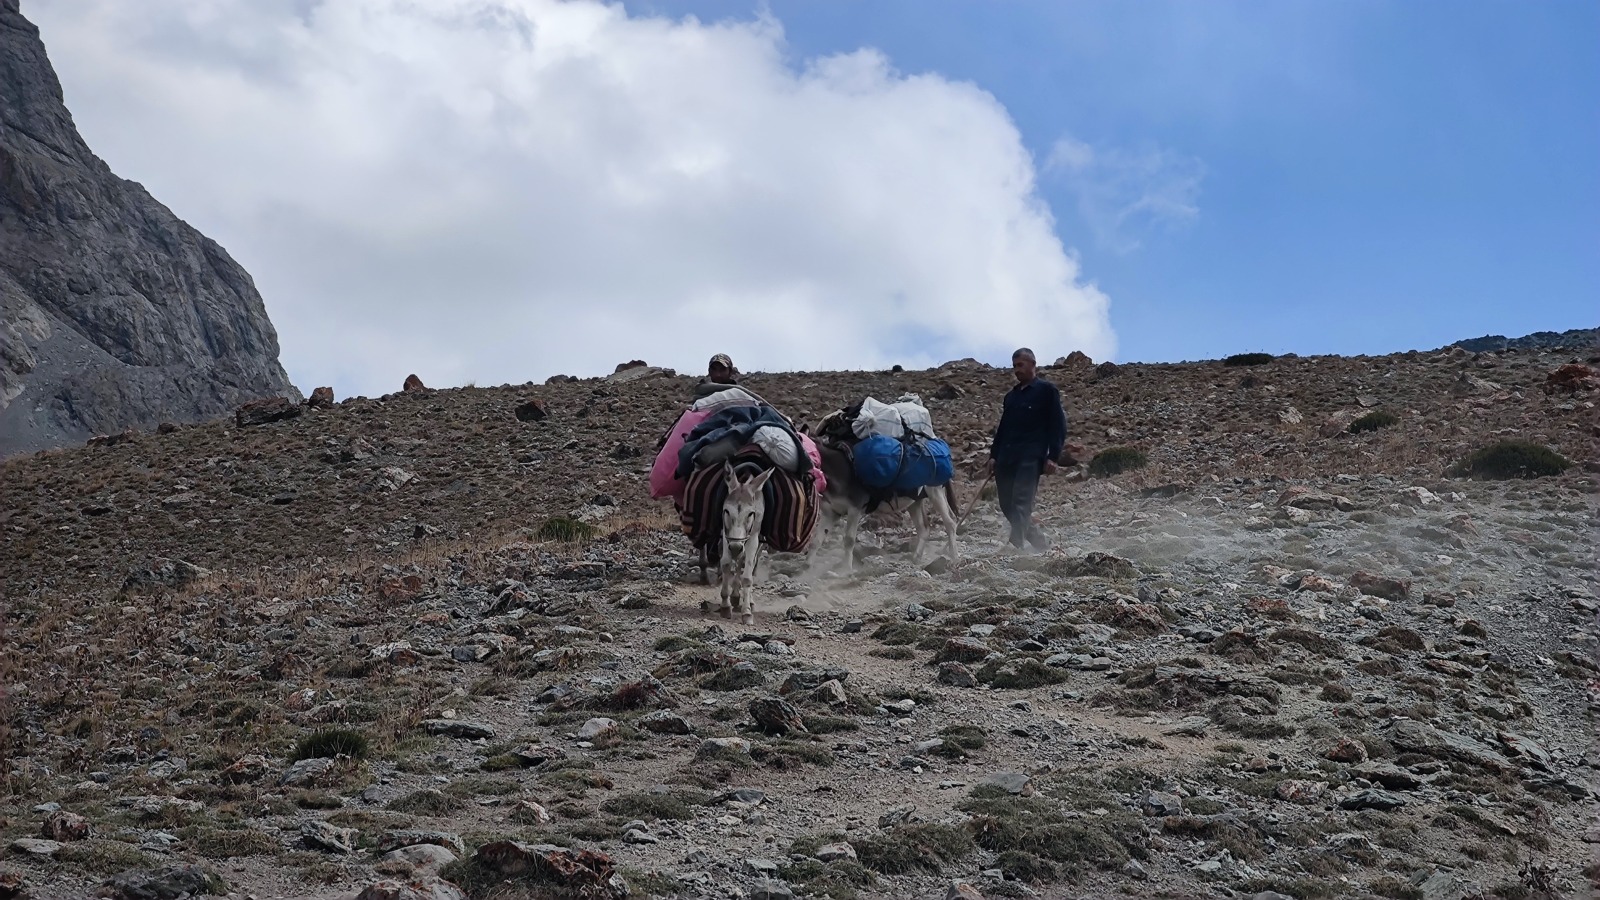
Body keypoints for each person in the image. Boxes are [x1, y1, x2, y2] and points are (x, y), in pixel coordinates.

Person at [987, 347, 1068, 550]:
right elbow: (1003, 428)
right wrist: (994, 456)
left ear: (1033, 364)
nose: (1016, 370)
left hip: (1031, 456)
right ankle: (1040, 543)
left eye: (1020, 365)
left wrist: (1054, 456)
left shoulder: (1047, 391)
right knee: (1007, 505)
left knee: (1022, 502)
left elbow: (1058, 425)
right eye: (1014, 366)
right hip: (1006, 457)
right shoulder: (1011, 397)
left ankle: (1014, 547)